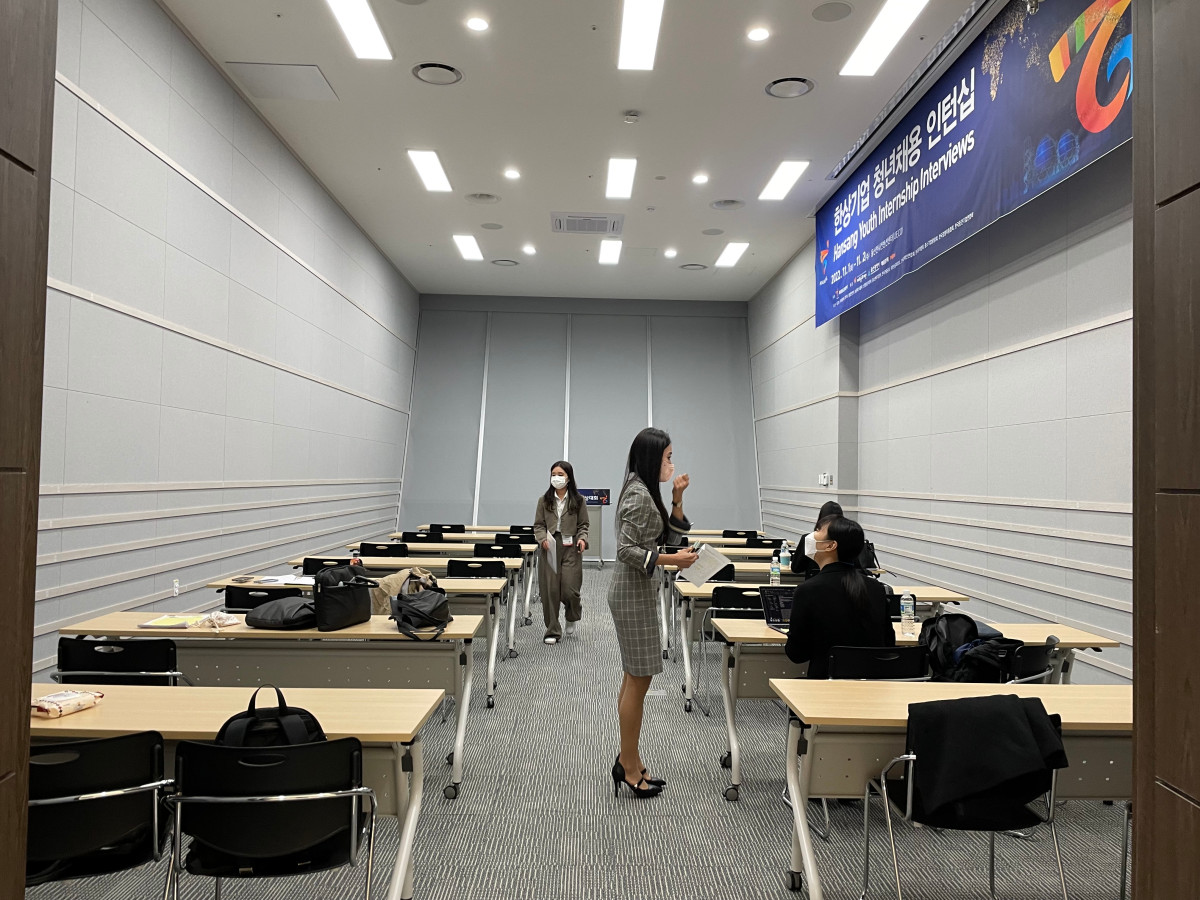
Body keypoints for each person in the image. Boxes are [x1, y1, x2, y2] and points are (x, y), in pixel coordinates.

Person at [608, 427, 695, 798]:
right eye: (668, 457)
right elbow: (627, 549)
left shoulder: (643, 490)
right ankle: (628, 766)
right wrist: (672, 559)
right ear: (651, 458)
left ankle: (629, 758)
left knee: (633, 679)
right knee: (639, 681)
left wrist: (676, 500)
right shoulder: (639, 495)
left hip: (636, 592)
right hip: (632, 595)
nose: (672, 464)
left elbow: (664, 540)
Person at [784, 515, 895, 679]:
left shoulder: (807, 590)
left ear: (830, 545)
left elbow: (797, 655)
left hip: (823, 686)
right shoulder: (877, 588)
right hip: (873, 686)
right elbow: (888, 643)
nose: (812, 535)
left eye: (818, 531)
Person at [532, 460, 589, 645]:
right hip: (549, 545)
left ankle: (571, 615)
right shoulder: (544, 500)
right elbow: (539, 525)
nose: (556, 478)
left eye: (560, 474)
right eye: (553, 474)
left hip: (571, 547)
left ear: (569, 478)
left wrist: (582, 538)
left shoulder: (579, 501)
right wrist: (542, 539)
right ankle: (553, 630)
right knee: (550, 590)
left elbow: (583, 525)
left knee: (570, 589)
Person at [790, 501, 844, 579]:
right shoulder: (850, 539)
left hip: (814, 584)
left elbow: (796, 568)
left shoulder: (808, 539)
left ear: (820, 518)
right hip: (844, 585)